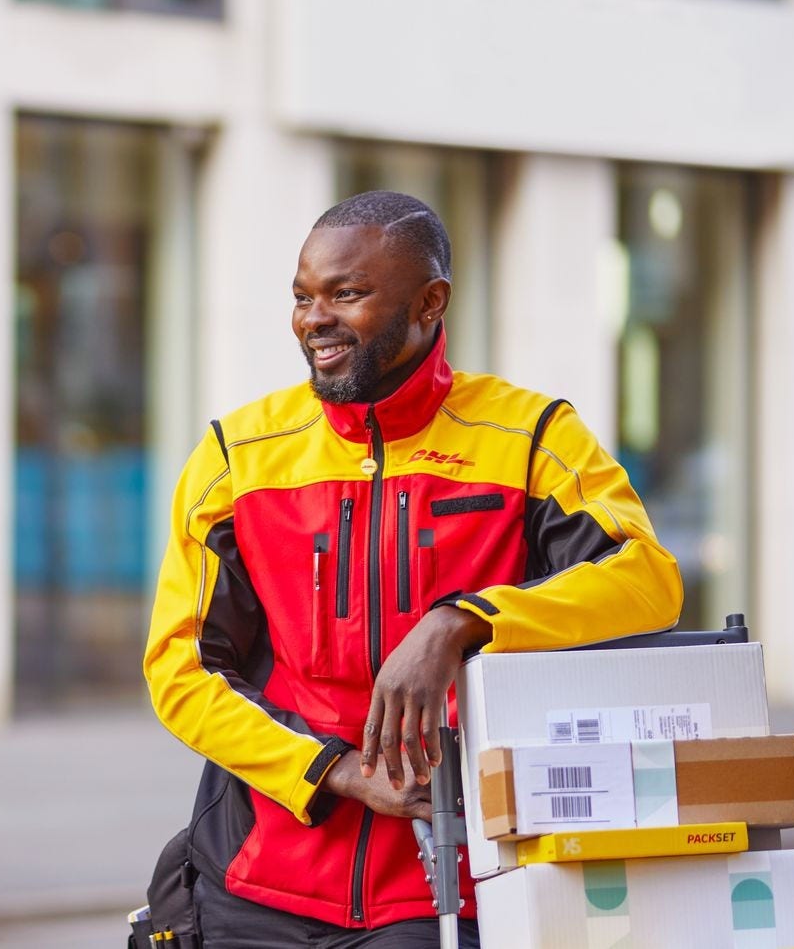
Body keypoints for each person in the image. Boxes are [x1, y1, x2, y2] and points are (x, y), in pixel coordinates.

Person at [142, 191, 683, 947]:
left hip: (445, 888)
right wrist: (331, 770)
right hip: (255, 884)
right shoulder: (238, 454)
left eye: (347, 294)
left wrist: (460, 620)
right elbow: (183, 669)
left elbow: (646, 580)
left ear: (430, 302)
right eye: (302, 297)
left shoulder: (529, 437)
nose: (314, 320)